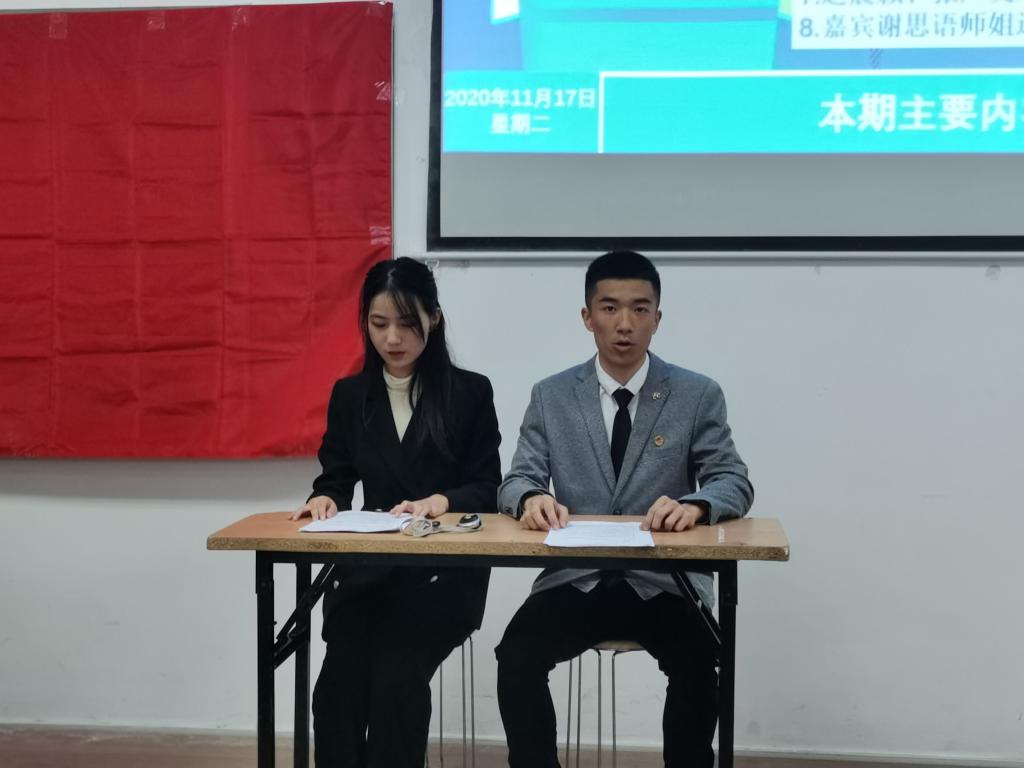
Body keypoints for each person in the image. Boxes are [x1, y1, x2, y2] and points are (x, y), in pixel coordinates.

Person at [495, 250, 753, 768]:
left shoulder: (696, 394)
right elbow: (516, 479)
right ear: (587, 316)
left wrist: (697, 505)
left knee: (700, 660)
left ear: (658, 317)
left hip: (664, 581)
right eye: (609, 308)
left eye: (640, 308)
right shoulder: (551, 395)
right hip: (576, 578)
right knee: (516, 656)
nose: (625, 324)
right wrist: (530, 497)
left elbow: (733, 480)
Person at [290, 257, 501, 768]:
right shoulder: (350, 395)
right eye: (379, 323)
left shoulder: (469, 392)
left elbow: (487, 487)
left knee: (396, 681)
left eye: (407, 323)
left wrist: (442, 501)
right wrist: (325, 498)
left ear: (434, 318)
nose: (392, 338)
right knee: (336, 690)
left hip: (442, 576)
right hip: (369, 575)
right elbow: (336, 477)